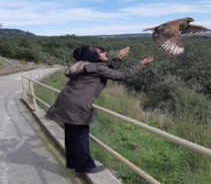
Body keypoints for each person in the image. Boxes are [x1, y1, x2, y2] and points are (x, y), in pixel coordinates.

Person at [46, 45, 154, 173]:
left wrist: (119, 57)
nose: (105, 53)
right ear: (94, 56)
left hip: (65, 101)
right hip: (77, 105)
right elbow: (123, 75)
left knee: (70, 136)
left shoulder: (84, 66)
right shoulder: (97, 68)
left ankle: (73, 163)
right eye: (101, 52)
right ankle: (85, 167)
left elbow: (105, 70)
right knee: (81, 137)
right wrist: (141, 64)